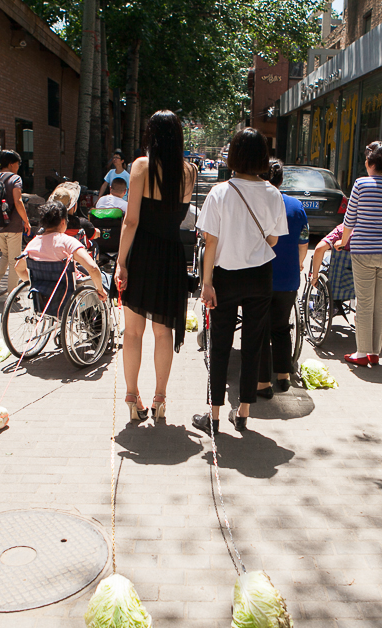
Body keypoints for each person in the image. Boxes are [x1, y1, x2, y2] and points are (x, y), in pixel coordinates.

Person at [193, 127, 287, 435]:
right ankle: (244, 412)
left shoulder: (220, 192)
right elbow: (273, 239)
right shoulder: (273, 194)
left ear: (233, 155)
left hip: (225, 277)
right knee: (253, 344)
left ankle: (215, 415)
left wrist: (207, 283)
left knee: (219, 344)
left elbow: (210, 242)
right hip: (260, 277)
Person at [115, 110, 197, 423]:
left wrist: (121, 262)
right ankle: (160, 397)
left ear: (152, 135)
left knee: (133, 333)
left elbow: (131, 220)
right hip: (172, 256)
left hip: (143, 254)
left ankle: (132, 395)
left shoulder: (141, 166)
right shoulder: (189, 172)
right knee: (163, 333)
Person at [335, 141, 382, 367]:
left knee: (365, 302)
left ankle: (362, 352)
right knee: (381, 302)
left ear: (370, 162)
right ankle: (375, 352)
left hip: (364, 251)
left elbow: (350, 219)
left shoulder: (361, 184)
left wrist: (342, 242)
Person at [257, 159, 309, 399]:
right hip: (288, 279)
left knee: (261, 328)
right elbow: (303, 244)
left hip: (261, 276)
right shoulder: (297, 207)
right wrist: (298, 264)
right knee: (281, 327)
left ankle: (263, 382)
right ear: (281, 180)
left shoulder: (256, 202)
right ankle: (283, 376)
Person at [14, 201, 107, 309]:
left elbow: (18, 268)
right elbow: (93, 268)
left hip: (43, 294)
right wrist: (100, 289)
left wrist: (34, 284)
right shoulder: (68, 242)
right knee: (104, 279)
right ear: (63, 222)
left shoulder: (33, 244)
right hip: (70, 294)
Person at [0, 150, 31, 294]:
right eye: (17, 164)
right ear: (11, 164)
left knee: (5, 255)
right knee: (14, 260)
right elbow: (18, 201)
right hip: (13, 225)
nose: (18, 167)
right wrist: (26, 221)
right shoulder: (15, 179)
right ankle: (13, 293)